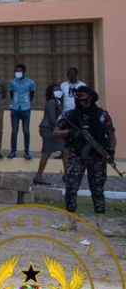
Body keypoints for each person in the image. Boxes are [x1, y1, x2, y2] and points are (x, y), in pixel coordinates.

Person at [53, 86, 116, 235]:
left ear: (90, 97)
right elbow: (55, 133)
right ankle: (71, 222)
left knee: (98, 189)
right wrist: (71, 132)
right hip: (76, 156)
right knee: (71, 187)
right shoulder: (70, 115)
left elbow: (111, 135)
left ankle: (101, 224)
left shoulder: (102, 115)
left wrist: (111, 152)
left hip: (97, 157)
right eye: (77, 96)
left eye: (82, 96)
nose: (79, 99)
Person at [35, 84, 67, 186]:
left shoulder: (58, 103)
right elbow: (53, 118)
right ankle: (38, 176)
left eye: (59, 89)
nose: (59, 91)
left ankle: (67, 175)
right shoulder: (52, 102)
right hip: (48, 130)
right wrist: (60, 128)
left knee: (65, 151)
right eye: (56, 90)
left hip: (52, 129)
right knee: (47, 152)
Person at [7, 63, 36, 159]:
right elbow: (11, 94)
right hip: (15, 109)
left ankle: (27, 152)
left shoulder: (30, 82)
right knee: (14, 130)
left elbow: (32, 95)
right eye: (16, 71)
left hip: (25, 109)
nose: (17, 73)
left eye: (19, 71)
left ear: (24, 72)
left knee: (26, 130)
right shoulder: (12, 82)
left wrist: (25, 103)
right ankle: (13, 151)